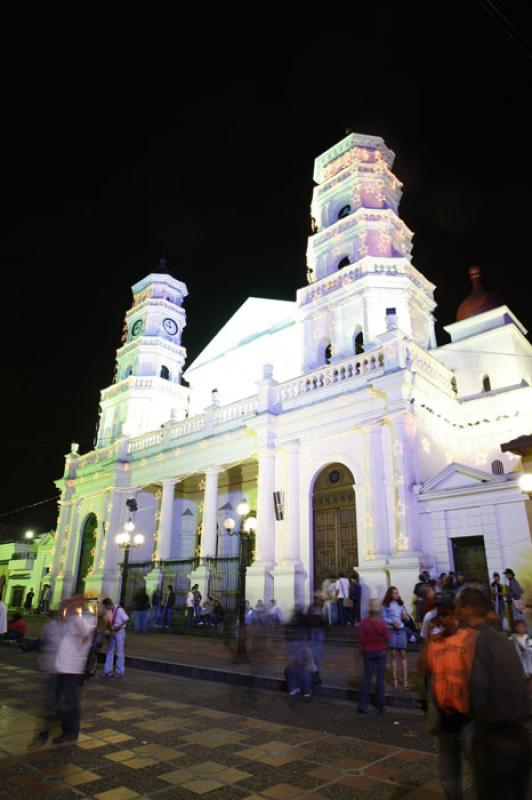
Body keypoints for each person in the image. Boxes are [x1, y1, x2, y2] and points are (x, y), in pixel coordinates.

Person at [456, 587, 530, 799]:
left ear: (469, 610)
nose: (456, 613)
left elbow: (477, 696)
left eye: (459, 608)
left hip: (495, 740)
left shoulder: (475, 643)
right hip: (520, 737)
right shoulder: (504, 640)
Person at [421, 593, 477, 800]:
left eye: (447, 613)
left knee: (478, 767)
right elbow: (424, 670)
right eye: (441, 614)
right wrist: (429, 635)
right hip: (445, 718)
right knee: (449, 774)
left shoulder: (470, 639)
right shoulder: (436, 640)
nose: (444, 619)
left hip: (469, 717)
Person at [53, 595, 96, 743]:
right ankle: (63, 726)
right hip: (62, 664)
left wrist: (76, 612)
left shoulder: (89, 619)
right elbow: (61, 625)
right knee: (60, 697)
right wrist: (64, 608)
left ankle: (70, 732)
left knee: (70, 701)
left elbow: (85, 633)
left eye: (75, 601)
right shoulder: (72, 618)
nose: (72, 604)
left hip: (73, 667)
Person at [358, 598, 390, 713]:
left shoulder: (364, 623)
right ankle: (380, 706)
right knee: (380, 680)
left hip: (368, 652)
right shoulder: (382, 623)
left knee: (367, 679)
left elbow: (361, 638)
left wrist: (362, 651)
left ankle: (363, 705)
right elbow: (388, 638)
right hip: (381, 652)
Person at [381, 586, 409, 689]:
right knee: (393, 655)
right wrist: (392, 622)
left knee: (403, 655)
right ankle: (395, 680)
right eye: (395, 593)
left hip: (401, 630)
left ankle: (405, 680)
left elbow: (405, 617)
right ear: (390, 594)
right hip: (391, 630)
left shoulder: (401, 604)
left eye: (397, 593)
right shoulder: (386, 605)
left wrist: (405, 616)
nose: (397, 595)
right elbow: (383, 618)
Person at [101, 598, 129, 678]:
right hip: (112, 631)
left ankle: (119, 672)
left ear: (108, 605)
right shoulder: (109, 611)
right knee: (110, 651)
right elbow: (108, 622)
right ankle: (107, 671)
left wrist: (119, 627)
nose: (105, 608)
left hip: (119, 632)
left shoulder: (119, 609)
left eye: (105, 606)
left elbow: (126, 619)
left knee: (119, 652)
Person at [508, 619, 532, 685]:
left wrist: (523, 647)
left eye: (523, 626)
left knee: (529, 676)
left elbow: (529, 649)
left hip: (528, 660)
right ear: (515, 628)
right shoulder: (511, 638)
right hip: (517, 660)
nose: (521, 628)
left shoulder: (528, 638)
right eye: (519, 626)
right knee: (520, 677)